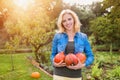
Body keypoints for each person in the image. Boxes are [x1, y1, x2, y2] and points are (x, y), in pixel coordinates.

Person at [50, 9, 94, 80]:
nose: (67, 22)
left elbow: (90, 56)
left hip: (75, 76)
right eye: (64, 21)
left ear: (74, 19)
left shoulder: (83, 37)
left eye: (69, 19)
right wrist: (54, 62)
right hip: (59, 75)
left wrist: (82, 65)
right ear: (62, 23)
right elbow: (53, 54)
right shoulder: (58, 36)